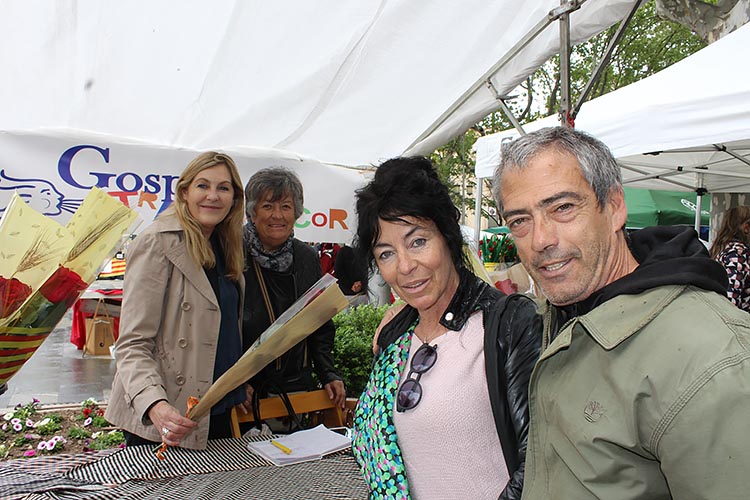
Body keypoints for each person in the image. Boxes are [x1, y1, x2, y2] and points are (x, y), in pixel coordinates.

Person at [492, 126, 750, 500]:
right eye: (520, 220)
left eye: (563, 208)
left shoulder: (712, 358)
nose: (541, 240)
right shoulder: (564, 309)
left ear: (614, 207)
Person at [351, 156, 542, 500]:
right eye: (386, 253)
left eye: (417, 242)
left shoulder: (508, 325)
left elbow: (540, 460)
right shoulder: (395, 337)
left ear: (447, 236)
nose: (405, 266)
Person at [106, 152, 249, 449]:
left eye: (223, 188)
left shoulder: (226, 244)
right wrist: (155, 404)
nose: (213, 196)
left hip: (215, 407)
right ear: (184, 192)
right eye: (203, 185)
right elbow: (132, 343)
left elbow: (223, 331)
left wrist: (238, 382)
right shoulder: (157, 242)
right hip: (167, 416)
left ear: (235, 198)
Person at [242, 167, 345, 411]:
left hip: (296, 386)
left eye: (286, 206)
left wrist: (328, 373)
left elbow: (319, 322)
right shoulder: (233, 254)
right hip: (245, 391)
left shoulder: (306, 256)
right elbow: (218, 329)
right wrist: (234, 383)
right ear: (252, 213)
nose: (277, 215)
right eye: (268, 206)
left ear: (296, 213)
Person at [709, 205, 750, 312]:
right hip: (737, 316)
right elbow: (732, 297)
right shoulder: (738, 253)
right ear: (746, 228)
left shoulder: (723, 248)